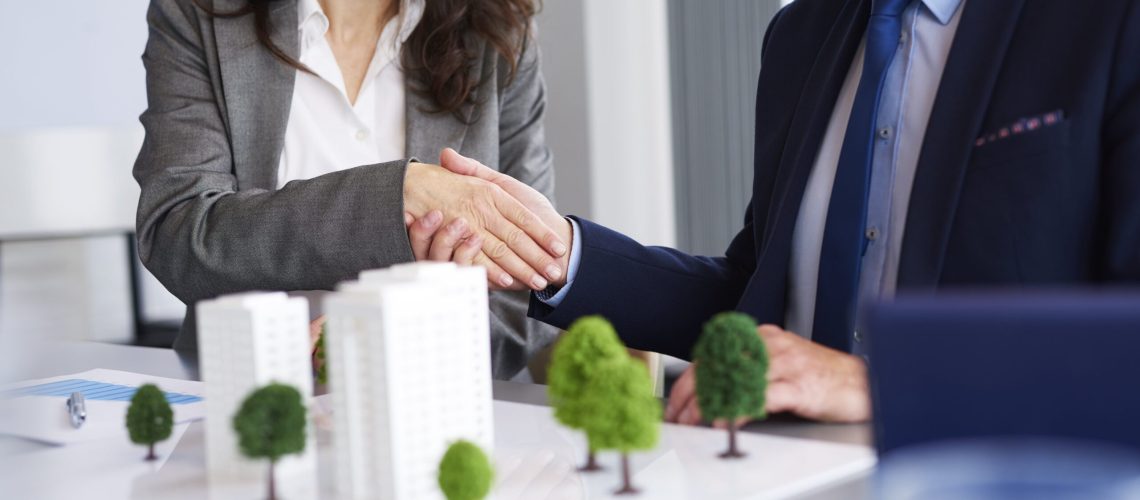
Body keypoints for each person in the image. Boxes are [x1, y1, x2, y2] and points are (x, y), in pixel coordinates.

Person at [415, 0, 1140, 422]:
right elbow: (758, 297)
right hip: (782, 471)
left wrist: (884, 380)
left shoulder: (1108, 23)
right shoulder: (802, 37)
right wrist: (557, 255)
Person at [133, 0, 567, 379]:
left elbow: (535, 282)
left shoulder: (496, 27)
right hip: (249, 404)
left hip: (442, 412)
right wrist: (395, 195)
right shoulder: (200, 11)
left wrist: (407, 346)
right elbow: (179, 229)